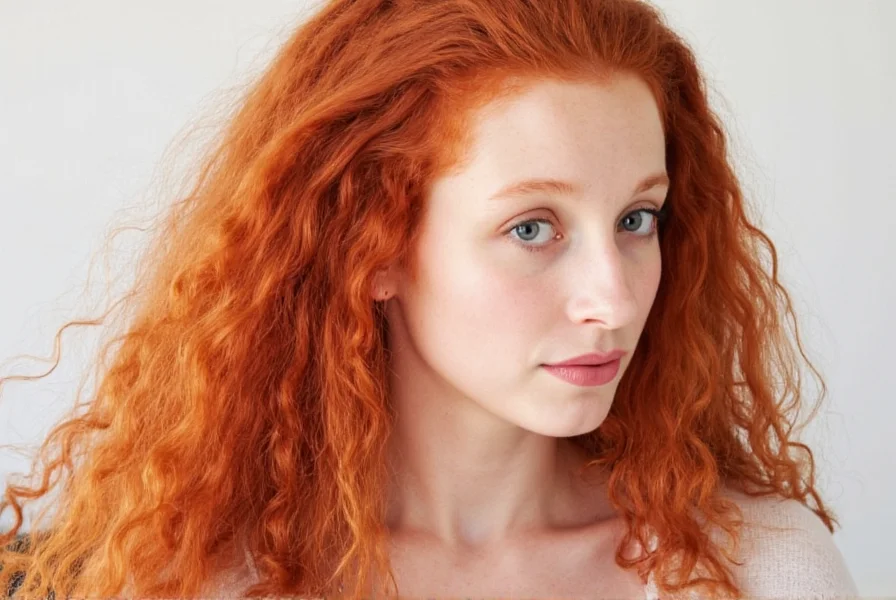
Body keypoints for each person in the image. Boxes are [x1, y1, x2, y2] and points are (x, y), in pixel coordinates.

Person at [0, 0, 859, 598]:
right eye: (533, 229)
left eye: (638, 218)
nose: (614, 297)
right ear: (374, 249)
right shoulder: (189, 580)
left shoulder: (759, 571)